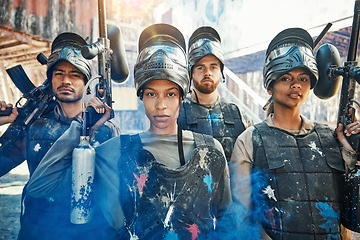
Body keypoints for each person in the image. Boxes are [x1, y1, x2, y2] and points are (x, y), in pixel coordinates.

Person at [26, 23, 232, 240]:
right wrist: (82, 126)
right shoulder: (117, 150)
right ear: (141, 96)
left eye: (170, 94)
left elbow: (226, 219)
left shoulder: (210, 152)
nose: (161, 105)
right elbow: (40, 187)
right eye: (152, 94)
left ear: (182, 96)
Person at [230, 28, 360, 239]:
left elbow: (349, 211)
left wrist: (351, 152)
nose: (296, 85)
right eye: (286, 78)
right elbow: (242, 216)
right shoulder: (250, 140)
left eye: (303, 78)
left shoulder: (331, 137)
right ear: (270, 86)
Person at [0, 32, 120, 239]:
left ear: (86, 83)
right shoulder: (33, 124)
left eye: (74, 75)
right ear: (50, 78)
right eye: (59, 73)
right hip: (37, 228)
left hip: (87, 231)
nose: (66, 80)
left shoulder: (104, 128)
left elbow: (117, 193)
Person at [178, 26, 253, 161]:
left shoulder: (239, 115)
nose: (207, 73)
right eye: (201, 67)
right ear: (191, 73)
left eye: (213, 67)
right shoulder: (177, 114)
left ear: (221, 71)